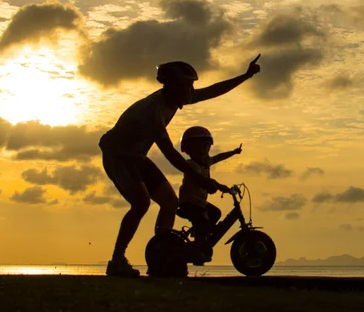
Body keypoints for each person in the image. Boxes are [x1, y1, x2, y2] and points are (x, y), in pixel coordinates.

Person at [99, 54, 261, 278]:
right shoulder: (152, 110)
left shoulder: (175, 99)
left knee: (169, 202)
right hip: (117, 155)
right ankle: (117, 260)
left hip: (137, 157)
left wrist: (245, 76)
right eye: (188, 84)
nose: (191, 89)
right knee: (141, 204)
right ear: (174, 86)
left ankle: (162, 255)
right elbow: (171, 155)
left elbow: (213, 91)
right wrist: (201, 179)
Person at [176, 126, 242, 265]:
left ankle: (201, 238)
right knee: (204, 223)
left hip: (200, 203)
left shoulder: (206, 163)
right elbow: (204, 181)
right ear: (188, 150)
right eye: (200, 147)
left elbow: (219, 157)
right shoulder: (191, 165)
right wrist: (219, 186)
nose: (204, 150)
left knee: (215, 213)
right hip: (189, 203)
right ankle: (197, 248)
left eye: (206, 147)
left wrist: (234, 152)